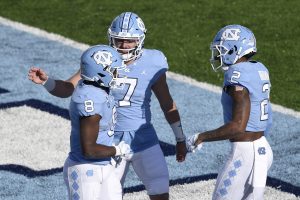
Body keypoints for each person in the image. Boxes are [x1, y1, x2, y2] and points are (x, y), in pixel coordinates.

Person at [28, 12, 187, 200]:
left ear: (140, 39)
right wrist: (48, 82)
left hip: (143, 137)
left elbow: (167, 103)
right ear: (111, 38)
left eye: (130, 41)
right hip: (109, 141)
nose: (124, 45)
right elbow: (67, 88)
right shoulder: (102, 58)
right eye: (119, 40)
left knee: (160, 191)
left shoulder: (153, 61)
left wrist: (179, 138)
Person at [186, 25, 273, 200]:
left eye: (222, 49)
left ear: (235, 49)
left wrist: (201, 137)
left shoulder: (237, 75)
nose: (218, 55)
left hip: (244, 153)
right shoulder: (259, 68)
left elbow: (237, 127)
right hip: (263, 147)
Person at [62, 45, 131, 200]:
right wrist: (117, 150)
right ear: (100, 72)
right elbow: (90, 150)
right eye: (113, 70)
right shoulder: (90, 99)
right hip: (85, 169)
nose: (117, 74)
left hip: (104, 165)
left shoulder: (97, 89)